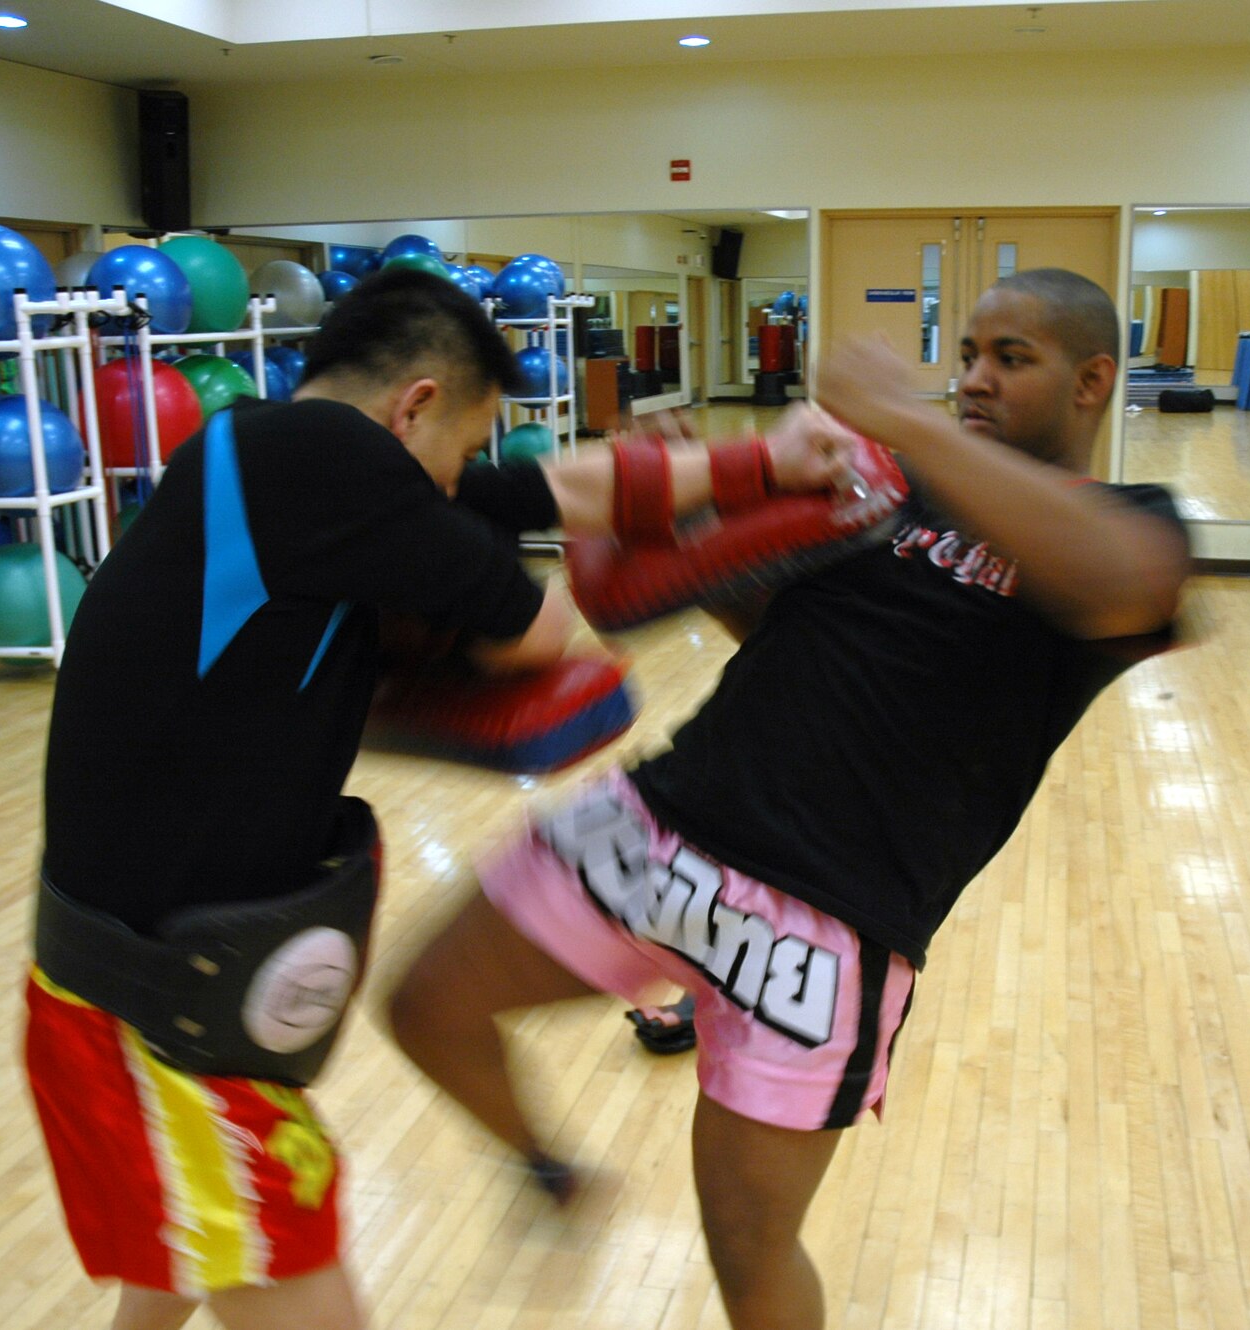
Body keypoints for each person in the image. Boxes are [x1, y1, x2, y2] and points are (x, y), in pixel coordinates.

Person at [26, 267, 850, 1330]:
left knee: (189, 1242)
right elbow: (538, 630)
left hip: (139, 980)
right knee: (273, 1257)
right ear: (413, 404)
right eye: (465, 445)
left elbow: (563, 488)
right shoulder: (318, 456)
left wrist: (762, 462)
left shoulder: (272, 463)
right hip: (154, 1007)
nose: (467, 474)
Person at [384, 267, 1192, 1329]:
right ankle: (546, 1166)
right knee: (423, 1002)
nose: (974, 380)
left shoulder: (1122, 526)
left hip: (828, 918)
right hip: (669, 819)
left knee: (747, 1242)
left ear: (1091, 380)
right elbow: (782, 633)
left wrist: (903, 418)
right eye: (966, 357)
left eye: (1010, 358)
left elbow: (1121, 583)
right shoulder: (892, 487)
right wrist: (695, 510)